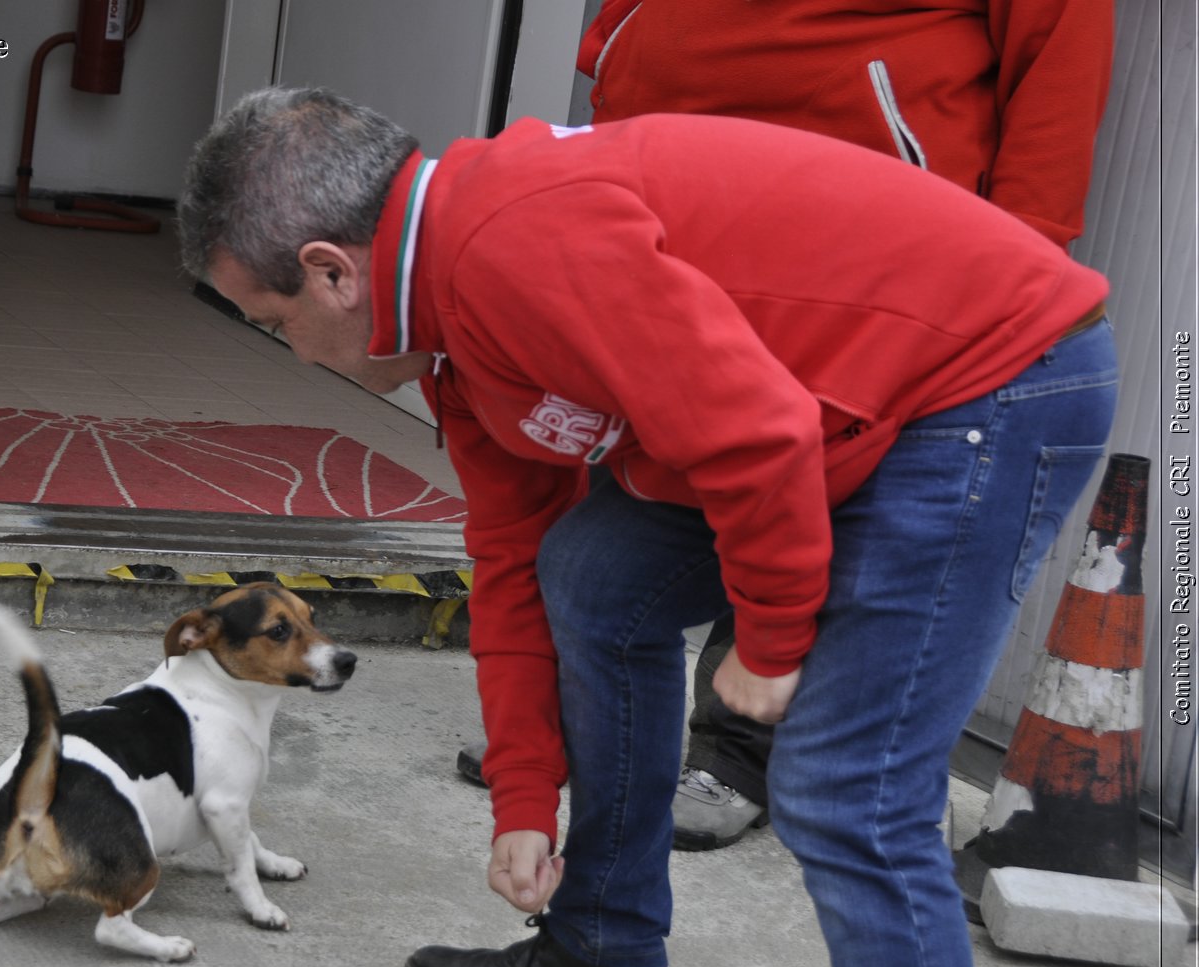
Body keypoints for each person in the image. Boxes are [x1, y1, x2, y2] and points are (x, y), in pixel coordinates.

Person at [178, 87, 1117, 967]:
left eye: (269, 321)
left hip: (990, 383)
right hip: (852, 401)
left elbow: (755, 433)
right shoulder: (453, 340)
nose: (288, 351)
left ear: (330, 272)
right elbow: (512, 572)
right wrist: (523, 798)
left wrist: (769, 636)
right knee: (592, 574)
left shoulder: (508, 244)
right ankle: (601, 953)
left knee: (850, 796)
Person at [458, 0, 1116, 854]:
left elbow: (1060, 39)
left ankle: (735, 750)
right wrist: (618, 57)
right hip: (663, 186)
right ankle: (563, 739)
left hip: (865, 226)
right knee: (615, 514)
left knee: (788, 465)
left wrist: (1020, 256)